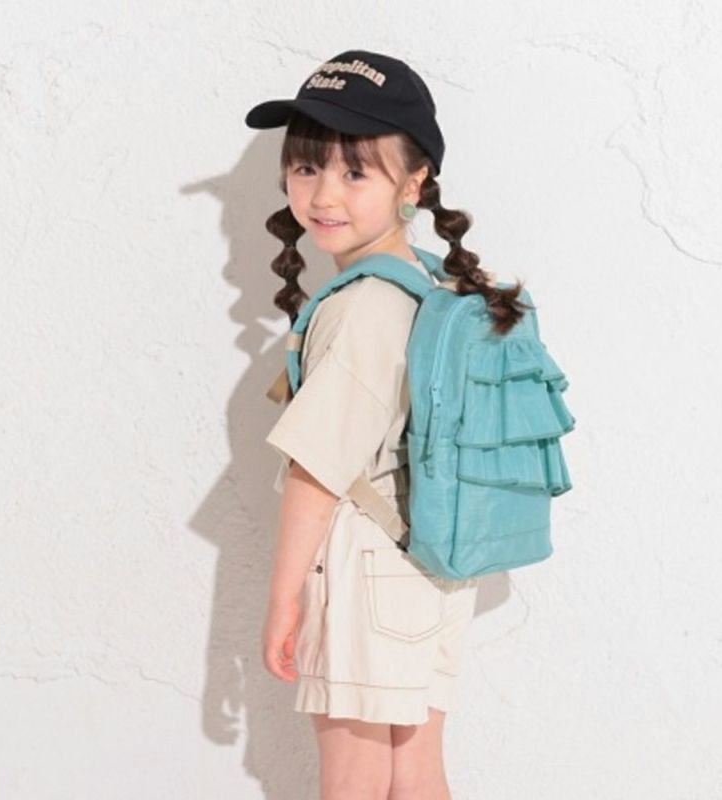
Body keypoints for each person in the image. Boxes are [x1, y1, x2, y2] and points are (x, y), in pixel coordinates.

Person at [245, 49, 528, 799]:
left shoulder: (361, 305)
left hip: (363, 565)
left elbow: (316, 468)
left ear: (414, 183)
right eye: (307, 167)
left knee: (353, 778)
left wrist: (282, 599)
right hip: (429, 562)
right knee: (415, 771)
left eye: (355, 172)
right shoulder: (434, 284)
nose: (323, 194)